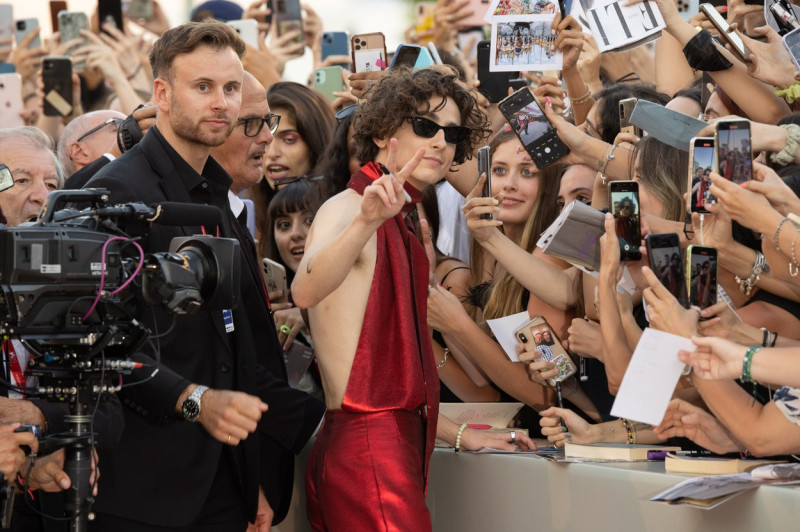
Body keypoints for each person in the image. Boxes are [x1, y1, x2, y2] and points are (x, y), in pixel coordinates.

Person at [84, 21, 324, 531]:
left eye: (230, 88)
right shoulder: (116, 192)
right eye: (203, 87)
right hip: (141, 492)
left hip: (221, 485)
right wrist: (191, 400)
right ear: (162, 94)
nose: (221, 103)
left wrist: (252, 474)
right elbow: (97, 343)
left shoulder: (216, 192)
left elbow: (233, 346)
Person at [292, 67, 532, 531]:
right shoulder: (349, 208)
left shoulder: (401, 214)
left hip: (385, 447)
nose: (440, 142)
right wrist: (364, 222)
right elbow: (305, 289)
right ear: (384, 133)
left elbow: (396, 380)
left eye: (453, 133)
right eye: (425, 126)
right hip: (368, 455)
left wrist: (460, 435)